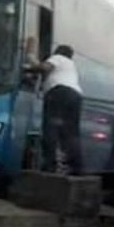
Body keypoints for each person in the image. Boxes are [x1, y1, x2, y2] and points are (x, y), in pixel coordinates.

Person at [32, 44, 83, 175]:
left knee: (50, 128)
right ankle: (77, 168)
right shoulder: (71, 65)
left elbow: (44, 68)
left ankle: (49, 165)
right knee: (71, 133)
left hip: (59, 93)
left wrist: (28, 68)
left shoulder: (58, 58)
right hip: (76, 96)